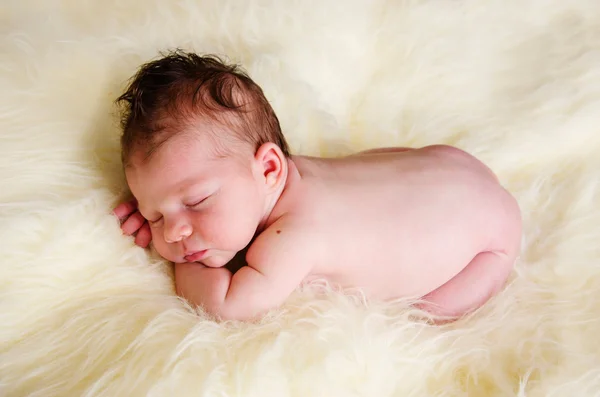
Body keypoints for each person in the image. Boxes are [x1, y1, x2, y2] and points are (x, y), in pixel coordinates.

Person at [113, 50, 522, 322]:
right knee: (372, 166)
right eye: (154, 214)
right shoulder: (288, 173)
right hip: (447, 164)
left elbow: (226, 308)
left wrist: (181, 259)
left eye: (196, 201)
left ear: (269, 168)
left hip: (490, 240)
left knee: (430, 312)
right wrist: (173, 212)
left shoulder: (292, 237)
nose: (173, 231)